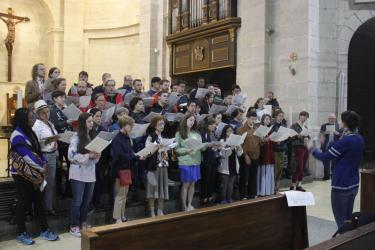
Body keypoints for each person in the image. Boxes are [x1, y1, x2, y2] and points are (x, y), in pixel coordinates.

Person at [10, 108, 59, 245]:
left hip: (35, 173)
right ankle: (21, 233)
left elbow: (38, 150)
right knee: (23, 203)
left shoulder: (30, 132)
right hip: (22, 174)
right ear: (23, 119)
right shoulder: (16, 134)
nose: (33, 120)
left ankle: (44, 230)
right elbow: (26, 156)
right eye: (30, 118)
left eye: (33, 118)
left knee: (38, 202)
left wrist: (43, 162)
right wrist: (41, 167)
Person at [310, 111, 364, 229]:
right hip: (353, 184)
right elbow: (340, 149)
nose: (339, 122)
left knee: (341, 224)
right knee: (348, 220)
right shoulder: (359, 138)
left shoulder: (345, 141)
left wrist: (312, 149)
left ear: (345, 123)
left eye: (341, 120)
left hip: (341, 185)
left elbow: (325, 157)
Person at [68, 113, 101, 237]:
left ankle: (83, 222)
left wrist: (97, 156)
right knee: (77, 201)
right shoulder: (76, 137)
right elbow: (71, 156)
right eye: (89, 121)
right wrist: (89, 156)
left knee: (87, 201)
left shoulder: (92, 136)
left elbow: (94, 159)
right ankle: (73, 226)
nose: (91, 123)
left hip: (90, 173)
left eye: (92, 121)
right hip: (78, 173)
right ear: (83, 123)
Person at [111, 117, 145, 223]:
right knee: (120, 195)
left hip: (127, 168)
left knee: (124, 195)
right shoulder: (117, 139)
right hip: (119, 169)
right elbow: (120, 156)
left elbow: (130, 152)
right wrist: (135, 156)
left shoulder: (126, 137)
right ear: (124, 125)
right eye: (130, 125)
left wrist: (138, 155)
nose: (131, 127)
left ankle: (122, 215)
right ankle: (117, 218)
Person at [32, 100, 59, 215]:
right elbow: (35, 143)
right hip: (44, 156)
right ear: (38, 114)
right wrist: (47, 143)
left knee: (51, 183)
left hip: (53, 155)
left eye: (48, 112)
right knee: (43, 183)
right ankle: (40, 208)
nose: (47, 115)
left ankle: (49, 206)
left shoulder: (50, 123)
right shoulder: (36, 126)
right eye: (43, 113)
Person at [175, 114, 206, 211]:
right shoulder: (179, 133)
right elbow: (177, 149)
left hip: (195, 161)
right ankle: (184, 206)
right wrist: (187, 150)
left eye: (193, 120)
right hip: (185, 161)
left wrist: (202, 146)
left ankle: (189, 204)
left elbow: (202, 147)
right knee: (186, 184)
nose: (192, 122)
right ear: (185, 120)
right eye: (190, 120)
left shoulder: (196, 134)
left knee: (193, 184)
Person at [49, 90, 73, 197]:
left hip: (68, 140)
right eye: (61, 97)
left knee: (70, 165)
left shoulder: (65, 109)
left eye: (64, 97)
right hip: (59, 141)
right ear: (55, 98)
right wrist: (66, 122)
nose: (63, 99)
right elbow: (54, 125)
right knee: (58, 167)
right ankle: (58, 191)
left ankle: (69, 189)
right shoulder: (52, 110)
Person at [144, 115, 170, 217]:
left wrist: (167, 151)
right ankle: (152, 211)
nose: (162, 126)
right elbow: (147, 152)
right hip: (153, 166)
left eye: (163, 123)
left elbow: (165, 150)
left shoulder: (163, 137)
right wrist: (156, 147)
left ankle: (160, 210)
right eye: (160, 124)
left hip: (163, 165)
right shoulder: (150, 136)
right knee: (152, 189)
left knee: (162, 188)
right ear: (155, 125)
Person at [237, 111, 261, 199]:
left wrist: (263, 139)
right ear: (247, 118)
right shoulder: (241, 130)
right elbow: (240, 144)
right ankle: (243, 195)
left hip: (256, 155)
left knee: (253, 176)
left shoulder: (256, 129)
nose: (253, 121)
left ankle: (252, 194)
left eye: (255, 119)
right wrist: (245, 155)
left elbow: (260, 143)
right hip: (246, 156)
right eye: (251, 119)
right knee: (244, 177)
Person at [218, 125, 243, 203]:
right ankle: (223, 199)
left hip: (233, 165)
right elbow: (222, 154)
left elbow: (239, 154)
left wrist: (239, 148)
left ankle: (229, 199)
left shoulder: (235, 141)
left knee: (230, 184)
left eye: (232, 131)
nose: (230, 133)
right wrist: (230, 148)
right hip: (225, 166)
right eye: (228, 131)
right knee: (224, 185)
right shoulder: (222, 141)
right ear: (225, 132)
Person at [200, 117, 220, 206]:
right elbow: (204, 144)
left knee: (212, 178)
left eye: (215, 124)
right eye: (213, 124)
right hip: (206, 159)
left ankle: (209, 195)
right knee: (206, 179)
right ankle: (204, 197)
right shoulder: (204, 133)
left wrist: (218, 146)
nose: (214, 126)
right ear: (208, 125)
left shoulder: (214, 133)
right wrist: (212, 146)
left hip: (214, 158)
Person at [290, 111, 310, 192]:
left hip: (305, 147)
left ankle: (299, 184)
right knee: (299, 167)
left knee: (303, 167)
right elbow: (290, 137)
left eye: (306, 117)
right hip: (298, 147)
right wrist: (297, 136)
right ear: (299, 116)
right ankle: (293, 185)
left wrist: (307, 138)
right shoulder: (294, 126)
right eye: (303, 116)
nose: (304, 118)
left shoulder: (305, 126)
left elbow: (308, 136)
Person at [257, 114, 275, 196]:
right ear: (263, 120)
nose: (268, 121)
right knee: (263, 173)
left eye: (269, 119)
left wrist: (277, 140)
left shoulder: (270, 130)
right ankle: (262, 191)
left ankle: (269, 191)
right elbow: (258, 142)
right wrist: (264, 140)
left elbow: (272, 140)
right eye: (266, 119)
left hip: (270, 153)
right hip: (263, 153)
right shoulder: (260, 129)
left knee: (269, 172)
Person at [320, 113, 341, 180]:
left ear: (335, 119)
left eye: (333, 118)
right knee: (326, 161)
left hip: (335, 146)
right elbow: (320, 135)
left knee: (334, 162)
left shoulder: (338, 126)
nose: (332, 120)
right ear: (328, 119)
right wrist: (324, 133)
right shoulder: (324, 126)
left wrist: (338, 133)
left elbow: (343, 135)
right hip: (326, 146)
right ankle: (326, 176)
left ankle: (333, 175)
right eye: (330, 118)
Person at [271, 110, 288, 192]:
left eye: (282, 116)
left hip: (282, 148)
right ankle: (273, 186)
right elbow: (270, 136)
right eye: (280, 116)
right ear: (276, 116)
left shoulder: (284, 126)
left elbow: (286, 137)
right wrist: (276, 140)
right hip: (275, 150)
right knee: (275, 168)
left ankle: (277, 186)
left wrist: (284, 138)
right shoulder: (273, 126)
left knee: (281, 167)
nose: (281, 117)